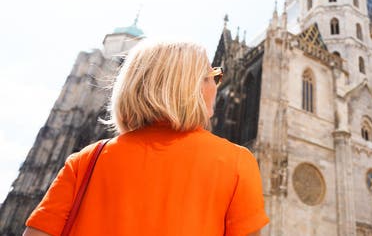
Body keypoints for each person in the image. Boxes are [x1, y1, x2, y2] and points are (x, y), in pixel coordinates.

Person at [23, 40, 269, 236]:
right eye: (213, 77)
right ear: (187, 87)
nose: (217, 86)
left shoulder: (86, 161)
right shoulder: (236, 163)